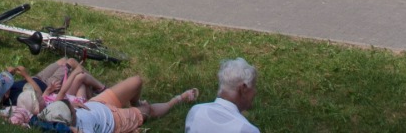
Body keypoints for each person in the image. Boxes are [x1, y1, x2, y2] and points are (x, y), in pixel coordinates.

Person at [51, 76, 197, 132]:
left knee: (137, 81)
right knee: (148, 110)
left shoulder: (50, 119)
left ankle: (136, 104)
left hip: (97, 103)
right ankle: (177, 100)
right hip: (116, 120)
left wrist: (71, 105)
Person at [185, 58, 259, 133]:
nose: (255, 92)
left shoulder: (196, 112)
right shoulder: (247, 129)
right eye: (253, 87)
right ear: (243, 88)